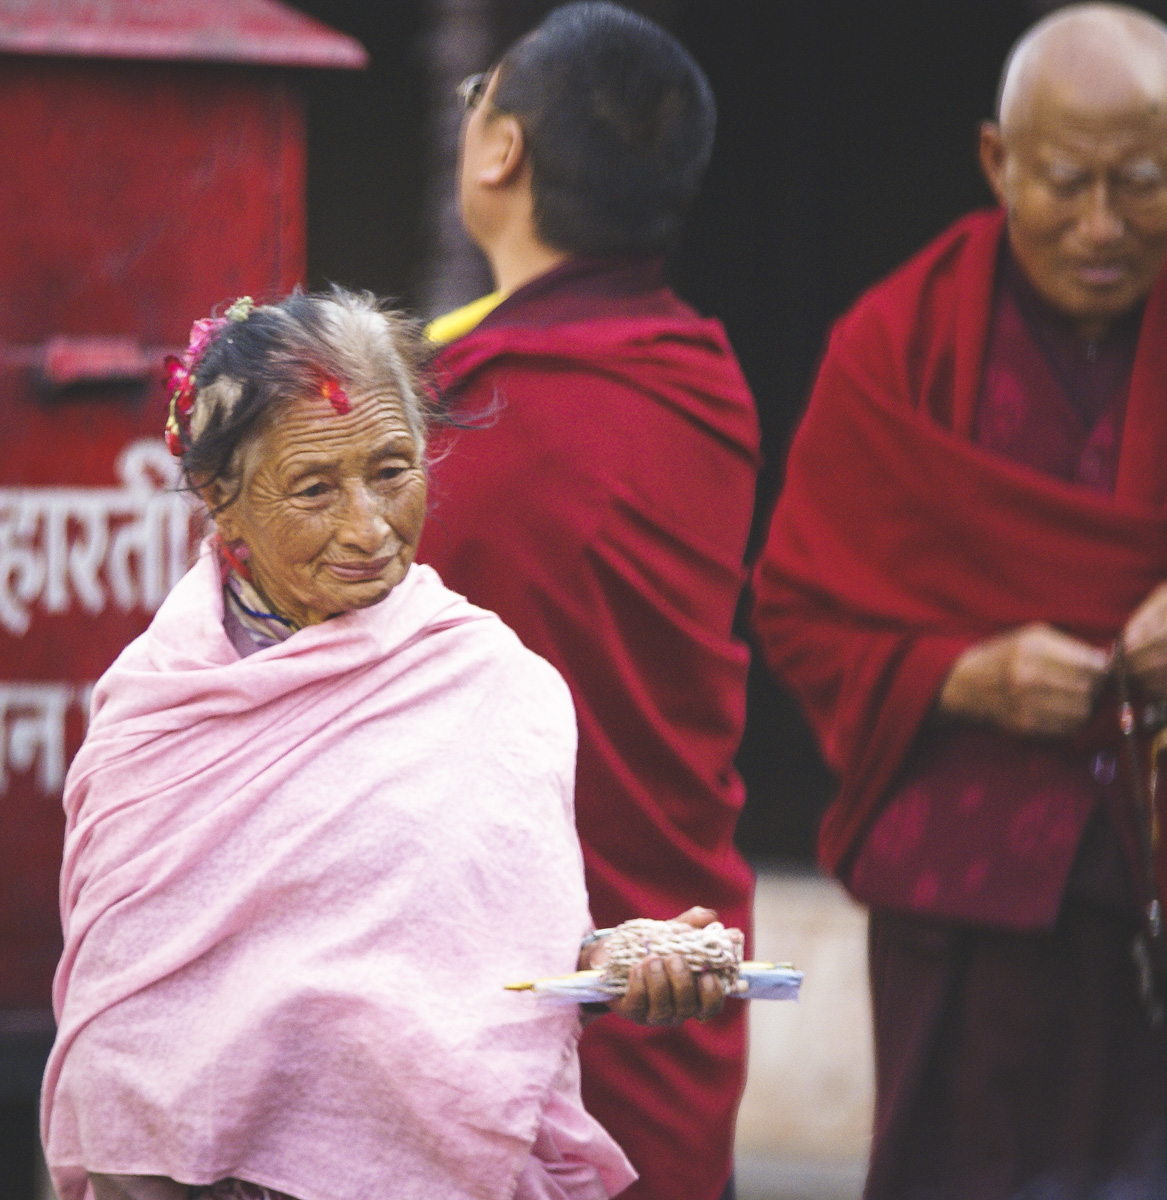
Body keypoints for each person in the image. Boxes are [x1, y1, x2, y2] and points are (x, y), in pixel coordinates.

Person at [40, 290, 725, 1200]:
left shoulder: (497, 688)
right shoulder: (154, 717)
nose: (369, 528)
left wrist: (605, 962)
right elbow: (122, 1034)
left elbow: (486, 955)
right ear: (220, 499)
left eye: (393, 470)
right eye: (316, 489)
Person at [754, 5, 1167, 1198]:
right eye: (1064, 182)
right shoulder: (895, 344)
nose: (1102, 225)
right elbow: (796, 605)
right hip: (965, 908)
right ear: (998, 162)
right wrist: (966, 676)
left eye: (1143, 185)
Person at [417, 6, 759, 1199]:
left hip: (485, 968)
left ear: (501, 152)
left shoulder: (451, 417)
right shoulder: (703, 383)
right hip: (673, 943)